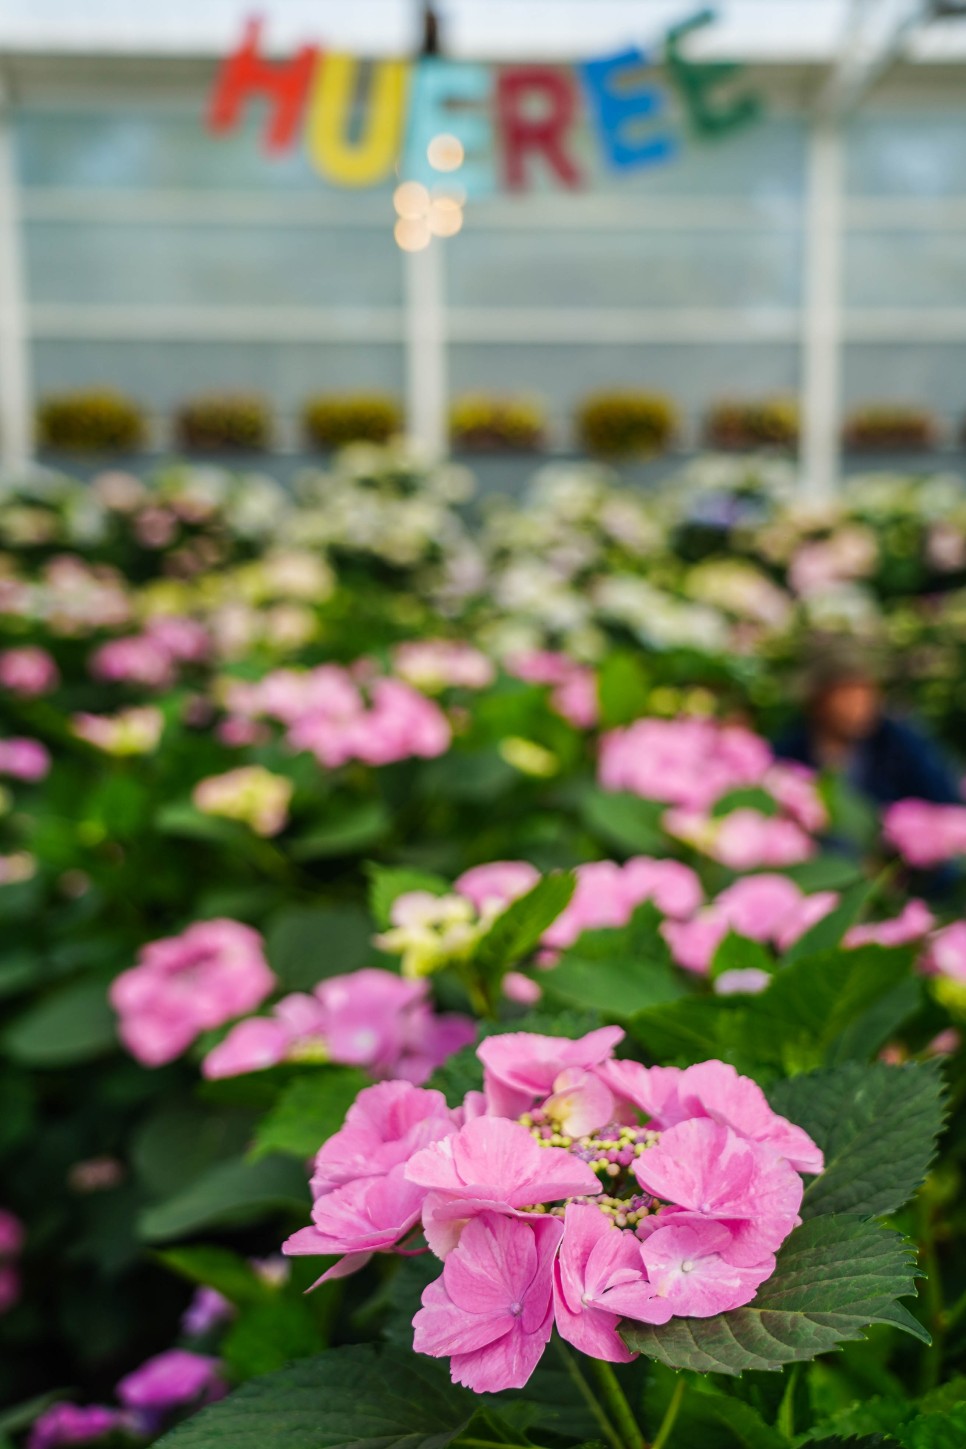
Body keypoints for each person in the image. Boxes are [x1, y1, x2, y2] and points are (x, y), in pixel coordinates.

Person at [776, 636, 961, 808]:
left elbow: (944, 803)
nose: (859, 707)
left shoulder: (899, 744)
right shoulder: (789, 753)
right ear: (817, 701)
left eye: (867, 693)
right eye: (846, 695)